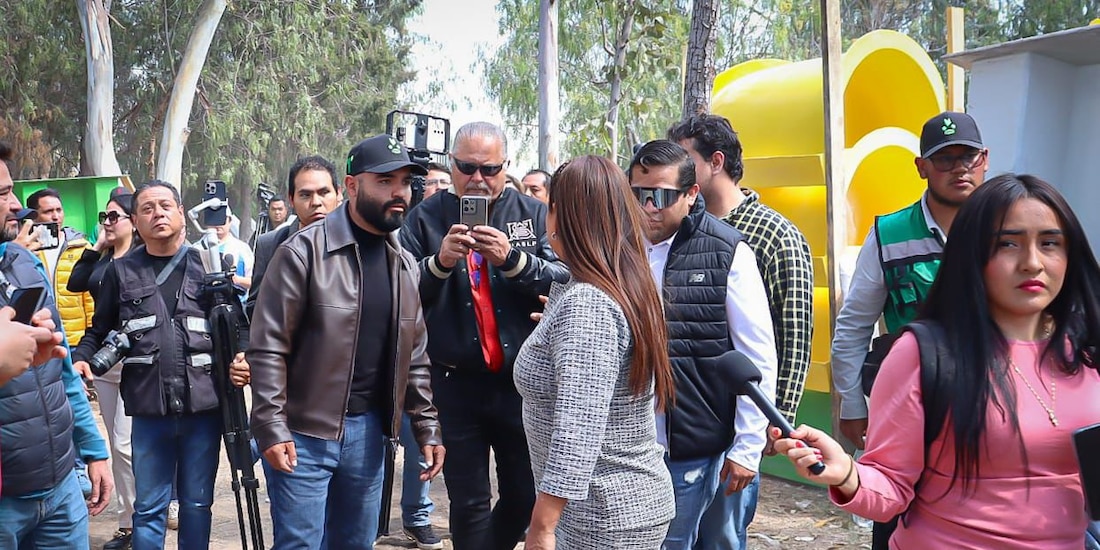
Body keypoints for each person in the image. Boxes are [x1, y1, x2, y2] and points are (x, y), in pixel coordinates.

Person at [776, 174, 1100, 549]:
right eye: (1008, 244)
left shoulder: (1088, 352)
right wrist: (848, 474)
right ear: (972, 256)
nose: (1032, 262)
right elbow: (891, 487)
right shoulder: (923, 354)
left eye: (1050, 243)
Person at [248, 134, 444, 549]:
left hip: (371, 435)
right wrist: (269, 424)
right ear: (352, 187)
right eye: (385, 181)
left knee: (356, 544)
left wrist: (426, 425)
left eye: (405, 182)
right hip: (303, 433)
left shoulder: (404, 264)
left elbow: (417, 355)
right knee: (299, 544)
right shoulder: (302, 253)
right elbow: (267, 347)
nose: (399, 193)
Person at [400, 121, 569, 550]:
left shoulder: (532, 215)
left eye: (489, 169)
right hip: (455, 384)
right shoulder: (426, 217)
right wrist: (439, 263)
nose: (477, 179)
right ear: (451, 166)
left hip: (521, 385)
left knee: (525, 495)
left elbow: (563, 280)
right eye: (466, 167)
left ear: (505, 166)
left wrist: (513, 261)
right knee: (468, 501)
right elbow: (402, 294)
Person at [668, 114, 814, 549]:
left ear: (714, 162)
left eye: (685, 158)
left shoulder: (774, 235)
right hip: (687, 427)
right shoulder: (678, 229)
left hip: (740, 428)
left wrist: (771, 427)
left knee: (723, 538)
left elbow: (793, 336)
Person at [514, 154, 675, 549]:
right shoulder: (606, 282)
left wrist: (542, 526)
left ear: (562, 217)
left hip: (602, 512)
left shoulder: (589, 302)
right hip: (608, 504)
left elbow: (578, 429)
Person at [627, 140, 778, 549]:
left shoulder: (727, 250)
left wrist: (748, 447)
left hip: (699, 446)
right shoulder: (620, 251)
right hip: (634, 450)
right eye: (638, 195)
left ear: (692, 194)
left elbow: (756, 356)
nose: (648, 207)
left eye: (661, 196)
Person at [72, 180, 229, 550]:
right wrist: (80, 360)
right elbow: (99, 329)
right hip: (148, 411)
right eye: (147, 208)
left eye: (165, 206)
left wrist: (242, 359)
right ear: (136, 223)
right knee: (149, 508)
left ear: (180, 216)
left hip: (203, 410)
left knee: (196, 504)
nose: (157, 213)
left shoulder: (207, 265)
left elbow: (235, 327)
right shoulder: (119, 272)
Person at [831, 111, 988, 449]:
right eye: (945, 159)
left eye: (969, 156)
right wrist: (853, 403)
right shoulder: (889, 234)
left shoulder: (1009, 228)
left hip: (994, 403)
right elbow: (854, 326)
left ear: (985, 160)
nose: (960, 168)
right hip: (912, 406)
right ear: (921, 168)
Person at [0, 140, 113, 547]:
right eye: (2, 194)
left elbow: (60, 370)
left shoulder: (23, 264)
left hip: (62, 486)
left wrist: (93, 448)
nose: (17, 206)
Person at [67, 186, 139, 550]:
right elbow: (74, 283)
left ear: (133, 220)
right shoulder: (104, 260)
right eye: (103, 217)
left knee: (126, 445)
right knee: (115, 441)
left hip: (135, 361)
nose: (107, 222)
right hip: (103, 362)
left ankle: (143, 518)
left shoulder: (142, 258)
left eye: (114, 216)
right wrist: (97, 245)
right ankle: (130, 522)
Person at [246, 155, 341, 319]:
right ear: (291, 199)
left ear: (338, 194)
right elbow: (255, 309)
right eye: (305, 195)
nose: (316, 202)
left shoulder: (357, 243)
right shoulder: (270, 245)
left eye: (324, 192)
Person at [26, 187, 97, 346]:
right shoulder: (25, 250)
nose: (56, 216)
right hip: (39, 337)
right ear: (33, 217)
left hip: (76, 339)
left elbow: (90, 297)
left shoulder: (81, 246)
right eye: (48, 211)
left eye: (59, 210)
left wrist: (92, 338)